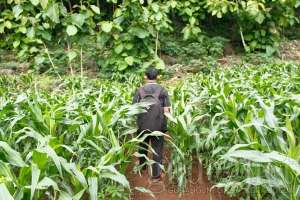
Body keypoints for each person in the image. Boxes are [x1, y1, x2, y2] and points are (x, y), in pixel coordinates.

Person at [132, 67, 171, 182]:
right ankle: (156, 176)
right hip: (158, 126)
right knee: (157, 149)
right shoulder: (162, 90)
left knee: (142, 146)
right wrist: (164, 127)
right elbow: (167, 111)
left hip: (142, 126)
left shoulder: (139, 91)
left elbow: (134, 109)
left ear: (145, 76)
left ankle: (142, 166)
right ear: (158, 77)